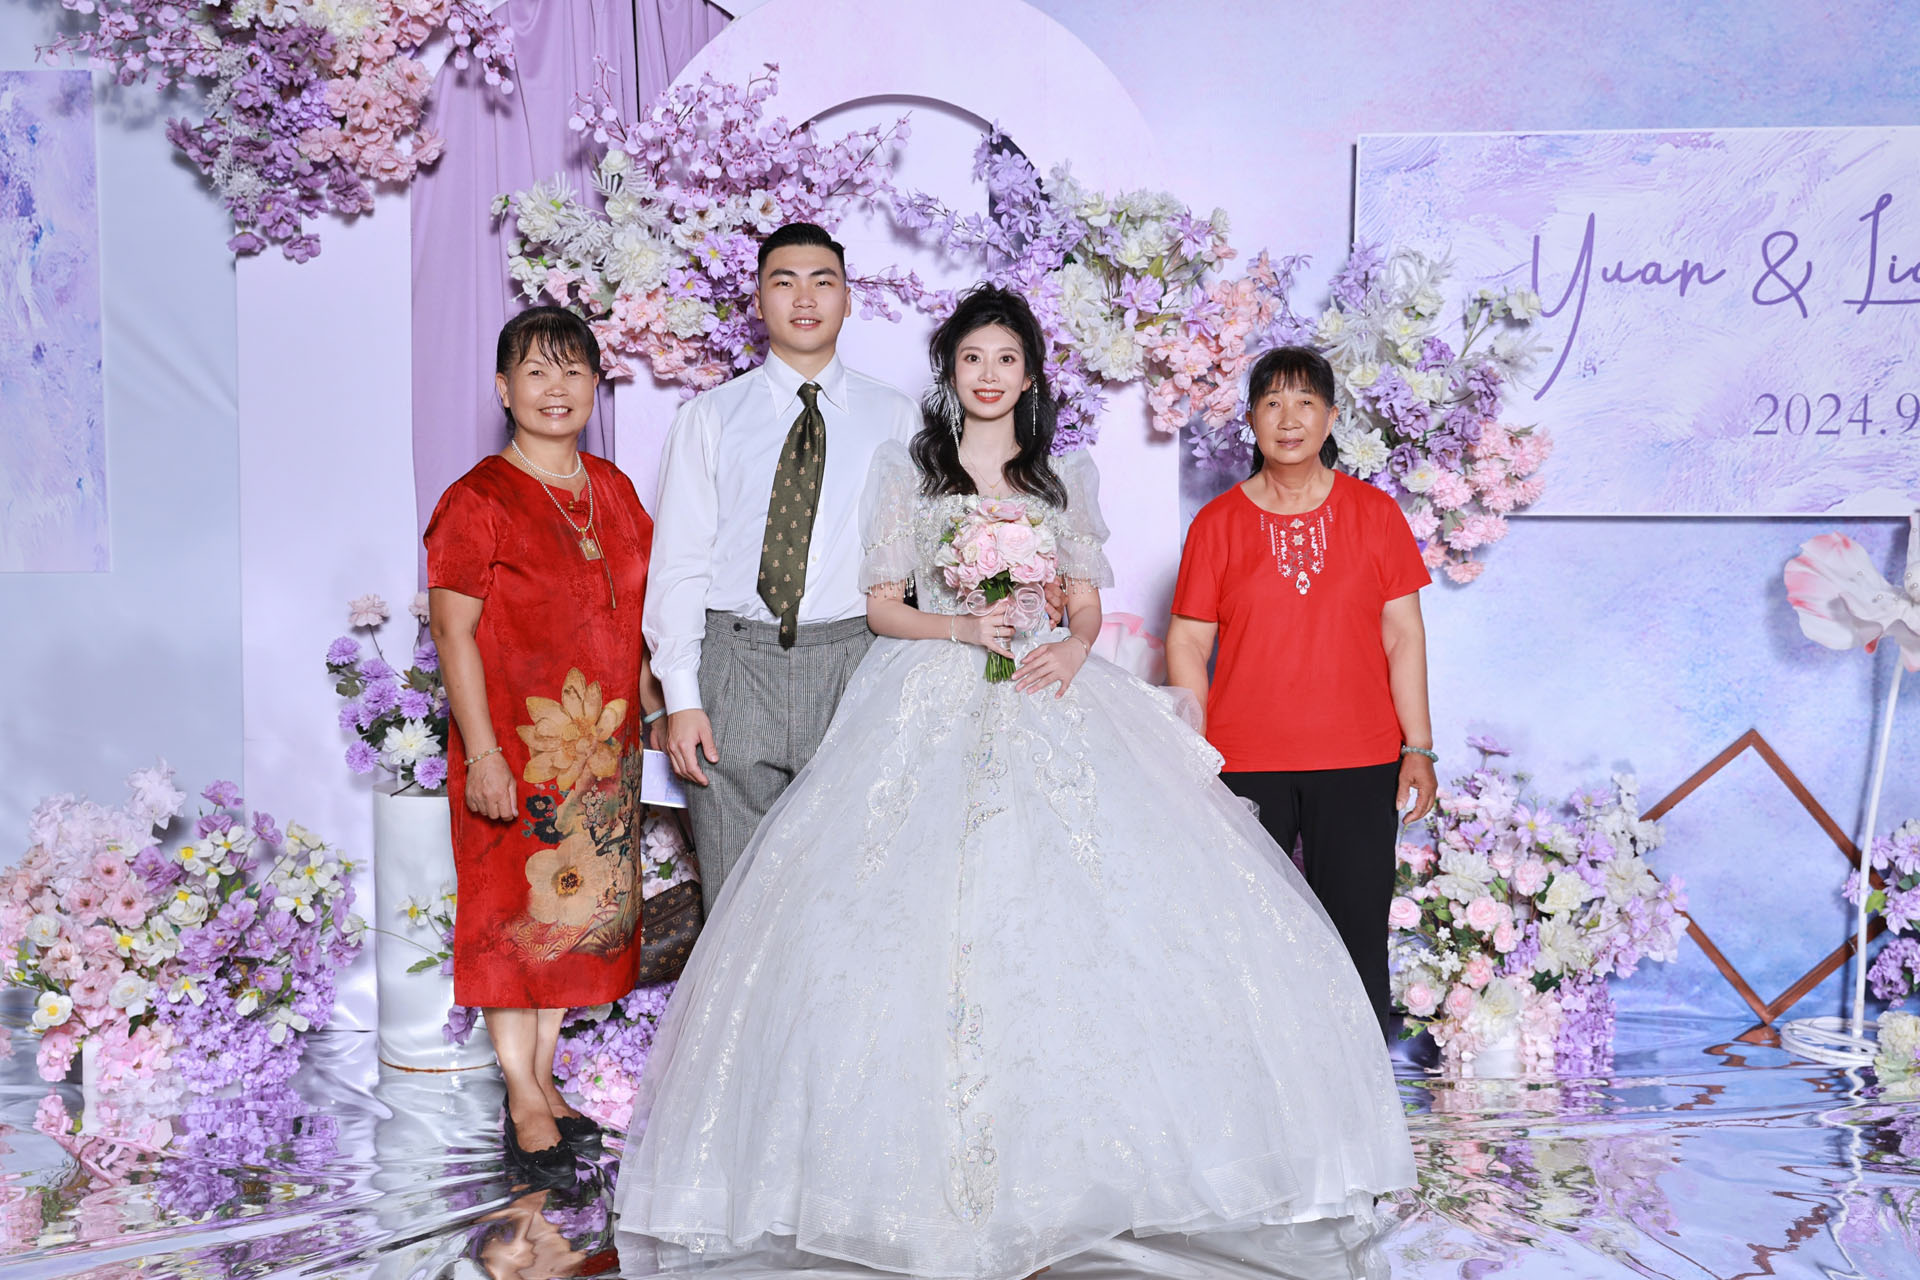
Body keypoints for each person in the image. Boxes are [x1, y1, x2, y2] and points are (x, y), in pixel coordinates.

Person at [614, 288, 1414, 1279]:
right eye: (972, 359)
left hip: (1045, 684)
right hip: (931, 687)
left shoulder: (1061, 477)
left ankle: (1086, 1170)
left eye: (1005, 359)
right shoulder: (909, 472)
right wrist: (962, 627)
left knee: (1080, 905)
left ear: (1029, 375)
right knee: (910, 908)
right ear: (950, 372)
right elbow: (883, 606)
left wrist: (1072, 648)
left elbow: (1084, 605)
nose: (988, 375)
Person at [426, 306, 664, 1187]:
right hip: (515, 749)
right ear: (503, 389)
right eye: (535, 371)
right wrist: (483, 754)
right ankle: (521, 1094)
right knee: (509, 918)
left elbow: (641, 616)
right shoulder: (477, 499)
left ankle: (544, 1077)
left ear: (595, 386)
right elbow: (453, 633)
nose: (555, 388)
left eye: (572, 371)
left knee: (570, 918)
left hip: (601, 752)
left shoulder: (614, 489)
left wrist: (656, 711)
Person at [644, 222, 920, 913]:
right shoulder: (710, 417)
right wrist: (682, 697)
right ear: (758, 299)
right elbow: (679, 564)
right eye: (784, 281)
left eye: (822, 282)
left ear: (848, 300)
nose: (804, 298)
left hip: (854, 661)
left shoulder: (895, 416)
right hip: (735, 667)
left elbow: (918, 551)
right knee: (738, 904)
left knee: (852, 897)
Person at [1166, 345, 1438, 1036]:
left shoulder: (1375, 514)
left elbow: (1404, 636)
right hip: (1242, 762)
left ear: (1331, 417)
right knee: (1247, 942)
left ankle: (1362, 1092)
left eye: (1305, 402)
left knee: (1356, 942)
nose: (1289, 419)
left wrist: (1419, 747)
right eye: (1272, 403)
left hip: (1359, 759)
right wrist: (1195, 751)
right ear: (1251, 419)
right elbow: (1189, 641)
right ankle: (1252, 1089)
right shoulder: (1217, 524)